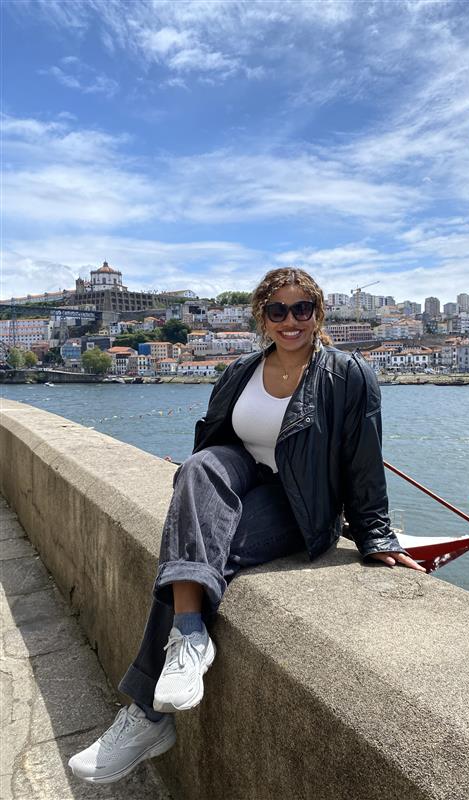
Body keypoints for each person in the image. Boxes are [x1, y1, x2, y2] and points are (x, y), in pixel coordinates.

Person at [68, 267, 425, 784]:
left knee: (192, 554)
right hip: (243, 475)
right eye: (277, 310)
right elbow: (213, 439)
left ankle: (147, 716)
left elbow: (364, 459)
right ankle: (189, 638)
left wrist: (375, 535)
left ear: (318, 313)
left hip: (300, 501)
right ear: (262, 316)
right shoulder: (240, 370)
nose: (290, 320)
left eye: (302, 308)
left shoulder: (347, 375)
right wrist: (195, 503)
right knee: (196, 472)